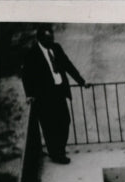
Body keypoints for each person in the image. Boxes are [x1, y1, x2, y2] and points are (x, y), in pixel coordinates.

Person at [21, 25, 91, 165]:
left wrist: (82, 82)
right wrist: (29, 94)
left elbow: (68, 65)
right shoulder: (32, 53)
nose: (51, 41)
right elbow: (26, 75)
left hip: (59, 92)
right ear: (40, 39)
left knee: (65, 121)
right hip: (44, 97)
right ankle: (57, 154)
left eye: (51, 38)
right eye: (47, 39)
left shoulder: (56, 48)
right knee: (50, 127)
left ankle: (59, 150)